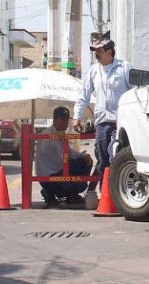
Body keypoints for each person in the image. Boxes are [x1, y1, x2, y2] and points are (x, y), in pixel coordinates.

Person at [72, 31, 134, 191]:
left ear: (109, 51)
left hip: (121, 122)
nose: (96, 55)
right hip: (101, 122)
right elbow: (83, 95)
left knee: (118, 158)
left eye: (99, 51)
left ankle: (117, 192)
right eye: (95, 52)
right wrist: (76, 117)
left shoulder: (124, 67)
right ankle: (99, 192)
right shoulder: (93, 71)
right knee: (102, 159)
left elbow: (135, 91)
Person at [36, 106, 94, 208]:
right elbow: (53, 152)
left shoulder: (61, 135)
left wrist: (84, 155)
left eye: (67, 120)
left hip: (59, 172)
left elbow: (70, 153)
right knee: (81, 173)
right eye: (62, 119)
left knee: (84, 161)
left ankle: (71, 194)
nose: (65, 122)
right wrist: (57, 138)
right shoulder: (47, 134)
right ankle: (63, 193)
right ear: (54, 120)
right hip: (51, 176)